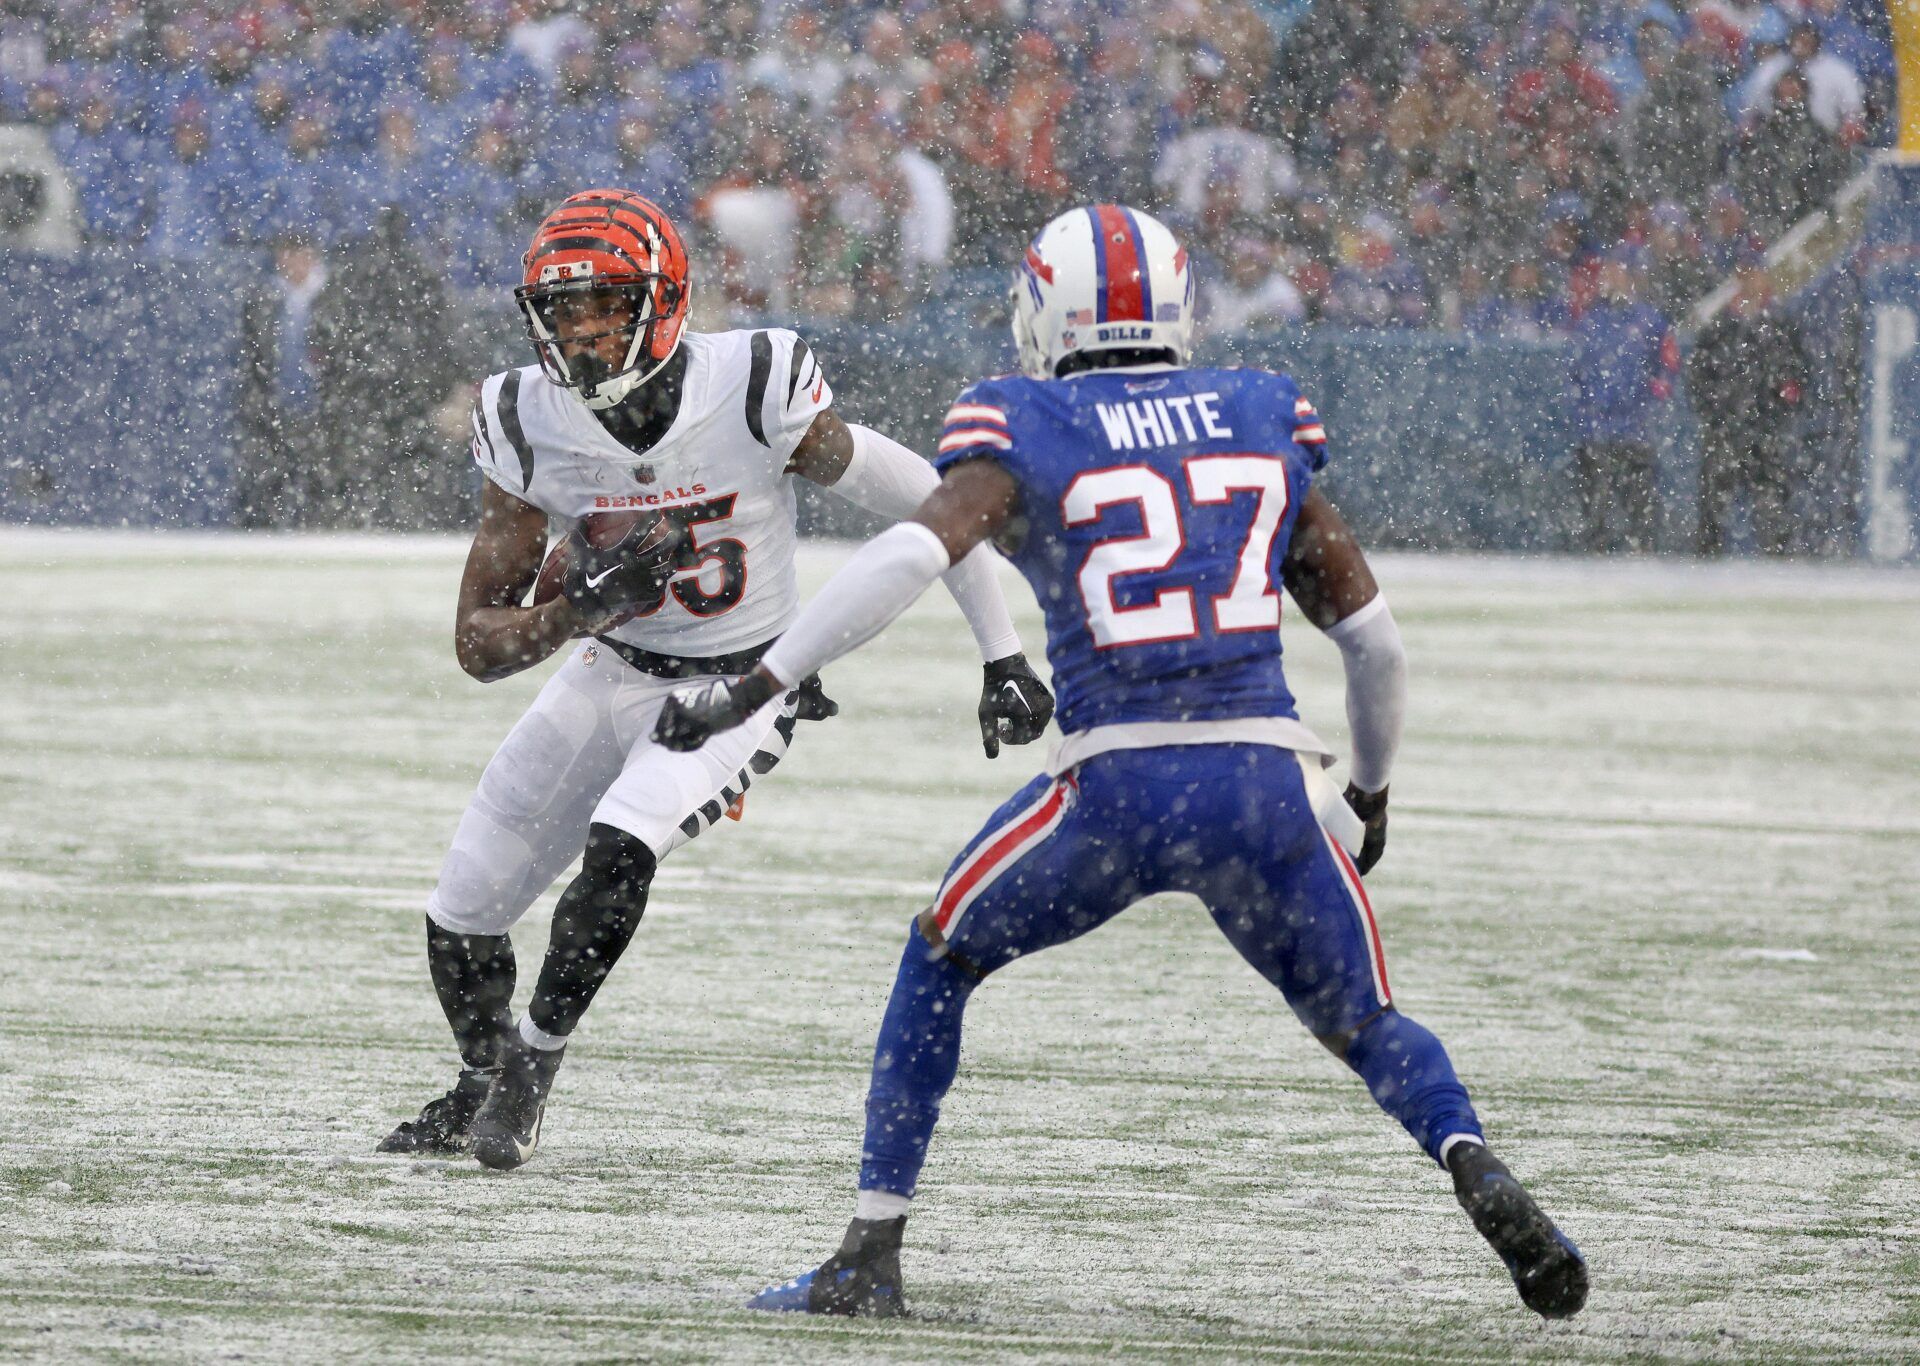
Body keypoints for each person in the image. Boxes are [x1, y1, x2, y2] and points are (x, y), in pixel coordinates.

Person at [655, 204, 1589, 1321]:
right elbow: (1374, 642)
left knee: (940, 957)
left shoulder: (1026, 421)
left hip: (1118, 788)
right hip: (1264, 781)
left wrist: (762, 681)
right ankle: (1469, 1155)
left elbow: (911, 551)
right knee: (1365, 1021)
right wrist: (1371, 791)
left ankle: (869, 1250)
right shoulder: (1256, 411)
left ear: (1045, 310)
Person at [376, 190, 1052, 1171]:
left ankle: (533, 1069)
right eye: (562, 311)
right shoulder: (525, 418)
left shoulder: (751, 382)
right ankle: (483, 1075)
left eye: (605, 303)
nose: (582, 331)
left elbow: (925, 500)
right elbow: (478, 643)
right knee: (462, 913)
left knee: (620, 844)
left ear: (664, 300)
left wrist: (1002, 650)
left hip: (739, 684)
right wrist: (579, 610)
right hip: (612, 664)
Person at [1684, 247, 1812, 555]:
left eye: (1754, 272)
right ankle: (1706, 571)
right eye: (1744, 273)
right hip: (1726, 431)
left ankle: (1777, 571)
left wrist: (1781, 406)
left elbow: (1798, 374)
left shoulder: (1780, 323)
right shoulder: (1720, 327)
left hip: (1764, 429)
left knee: (1772, 510)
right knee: (1714, 511)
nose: (1750, 279)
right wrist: (1715, 412)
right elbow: (1700, 376)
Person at [1569, 253, 1678, 553]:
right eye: (1608, 272)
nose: (1610, 278)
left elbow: (1668, 369)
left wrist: (1651, 398)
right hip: (1597, 434)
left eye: (1617, 272)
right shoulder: (1591, 322)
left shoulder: (1650, 321)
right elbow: (1577, 375)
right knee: (1595, 518)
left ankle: (1642, 558)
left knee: (1641, 515)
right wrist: (1586, 417)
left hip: (1634, 434)